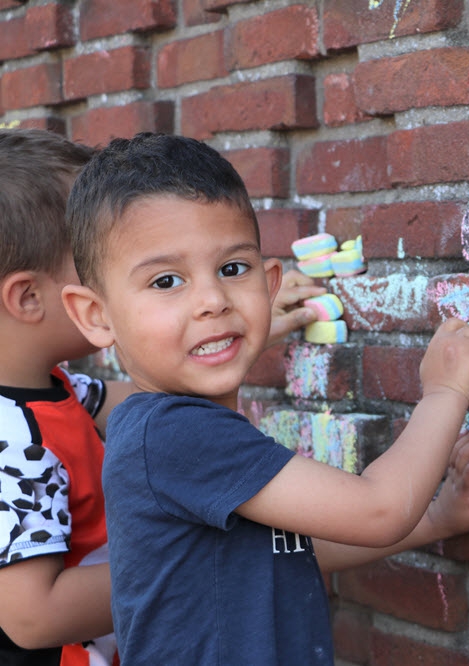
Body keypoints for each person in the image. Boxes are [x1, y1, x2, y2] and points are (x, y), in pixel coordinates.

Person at [60, 133, 469, 664]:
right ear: (96, 316)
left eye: (232, 269)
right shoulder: (175, 434)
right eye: (166, 281)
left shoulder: (183, 432)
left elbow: (282, 554)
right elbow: (379, 510)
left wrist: (433, 519)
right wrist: (446, 390)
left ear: (269, 284)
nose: (212, 301)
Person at [0, 128, 326, 665]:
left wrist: (234, 330)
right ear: (31, 297)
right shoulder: (12, 439)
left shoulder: (59, 390)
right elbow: (33, 616)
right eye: (89, 254)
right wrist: (180, 564)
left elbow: (150, 385)